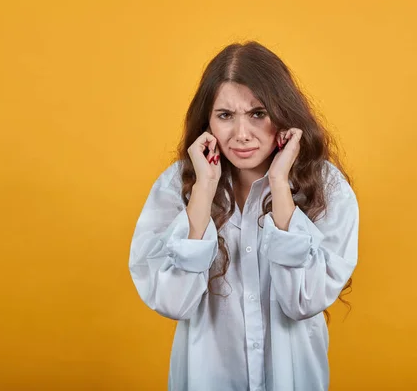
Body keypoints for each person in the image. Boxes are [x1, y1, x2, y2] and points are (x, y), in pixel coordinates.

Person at [129, 41, 359, 391]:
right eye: (225, 116)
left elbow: (304, 302)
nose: (241, 135)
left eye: (257, 113)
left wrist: (280, 185)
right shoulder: (176, 186)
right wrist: (203, 195)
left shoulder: (327, 186)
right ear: (207, 122)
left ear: (283, 115)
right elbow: (172, 302)